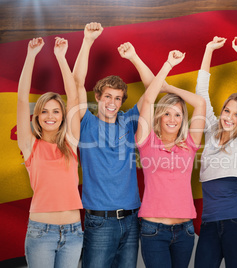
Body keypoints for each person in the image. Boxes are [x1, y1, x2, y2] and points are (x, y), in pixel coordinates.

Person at [73, 22, 146, 267]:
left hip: (131, 220)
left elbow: (152, 88)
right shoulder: (86, 123)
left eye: (117, 98)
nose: (112, 102)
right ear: (98, 97)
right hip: (99, 222)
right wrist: (87, 41)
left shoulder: (129, 122)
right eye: (107, 96)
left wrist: (134, 57)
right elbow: (77, 81)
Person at [135, 50, 206, 268]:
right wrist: (168, 64)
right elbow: (148, 100)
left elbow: (200, 104)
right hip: (153, 230)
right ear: (159, 116)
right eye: (167, 113)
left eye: (178, 114)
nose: (173, 119)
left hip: (185, 230)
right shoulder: (147, 143)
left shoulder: (189, 145)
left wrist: (168, 88)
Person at [193, 36, 237, 268]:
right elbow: (201, 92)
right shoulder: (211, 132)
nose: (230, 117)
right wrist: (209, 49)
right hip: (209, 224)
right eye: (227, 111)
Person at [17, 37, 83, 267]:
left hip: (74, 233)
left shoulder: (71, 143)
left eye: (56, 111)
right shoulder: (29, 145)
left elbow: (73, 98)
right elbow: (22, 99)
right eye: (44, 111)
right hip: (40, 233)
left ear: (63, 116)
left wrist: (61, 57)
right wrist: (31, 55)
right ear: (37, 116)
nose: (50, 116)